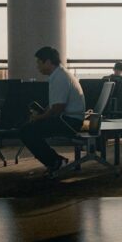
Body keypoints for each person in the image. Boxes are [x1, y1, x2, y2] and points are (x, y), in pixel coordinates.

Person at [18, 46, 86, 177]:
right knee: (30, 129)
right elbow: (54, 105)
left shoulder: (59, 77)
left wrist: (39, 118)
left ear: (48, 62)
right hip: (69, 119)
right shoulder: (60, 74)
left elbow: (57, 108)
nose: (37, 66)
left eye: (39, 62)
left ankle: (56, 162)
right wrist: (42, 115)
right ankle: (55, 160)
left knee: (26, 131)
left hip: (69, 122)